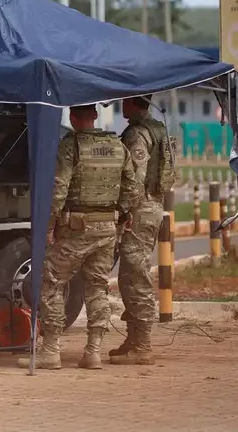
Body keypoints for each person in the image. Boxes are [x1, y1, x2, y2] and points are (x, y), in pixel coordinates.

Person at [18, 105, 143, 370]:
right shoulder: (118, 146)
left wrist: (48, 225)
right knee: (97, 287)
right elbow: (133, 189)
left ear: (73, 118)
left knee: (51, 281)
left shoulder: (70, 147)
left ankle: (51, 350)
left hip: (75, 229)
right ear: (96, 116)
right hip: (107, 229)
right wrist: (121, 214)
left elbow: (59, 189)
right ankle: (93, 351)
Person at [111, 95, 174, 365]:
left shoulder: (138, 134)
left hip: (141, 208)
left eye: (124, 101)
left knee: (135, 274)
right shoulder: (158, 128)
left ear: (133, 102)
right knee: (129, 274)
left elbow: (136, 179)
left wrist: (124, 210)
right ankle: (134, 339)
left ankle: (143, 345)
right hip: (152, 205)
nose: (120, 105)